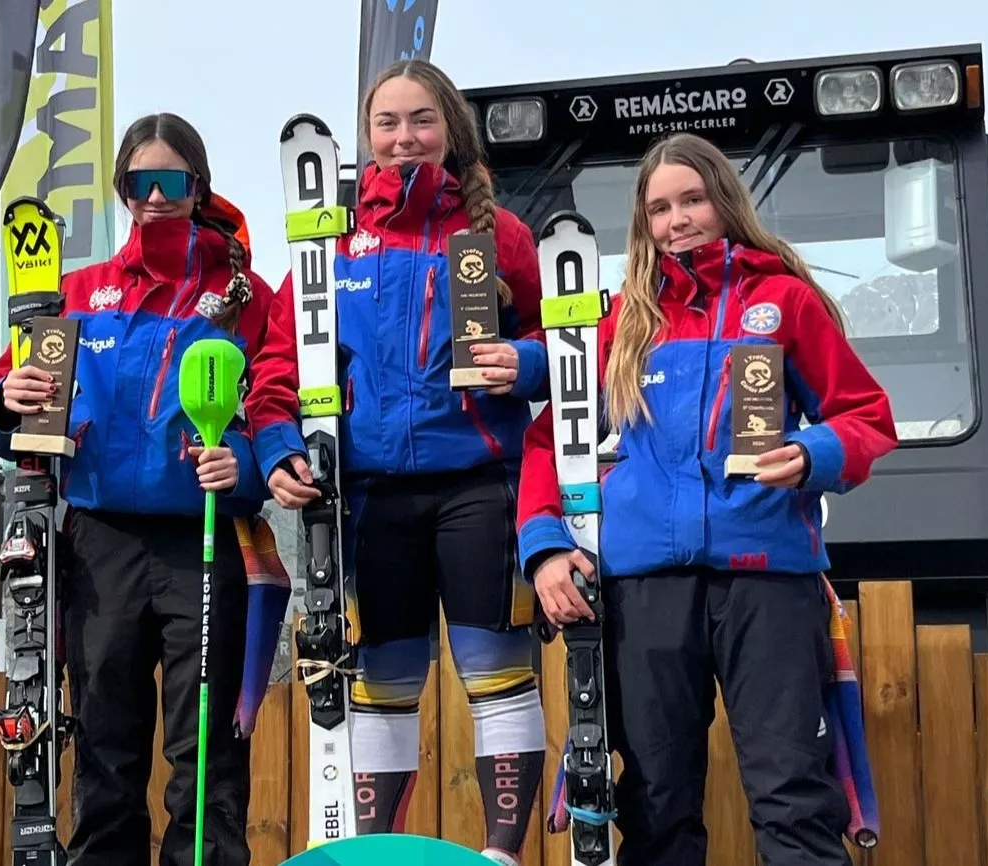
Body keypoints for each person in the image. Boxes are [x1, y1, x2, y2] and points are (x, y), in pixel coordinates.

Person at [516, 132, 898, 866]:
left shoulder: (783, 299)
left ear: (724, 201)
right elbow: (548, 442)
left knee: (792, 796)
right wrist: (545, 549)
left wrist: (813, 453)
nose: (677, 219)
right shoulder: (623, 321)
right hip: (646, 590)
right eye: (659, 208)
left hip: (768, 586)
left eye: (691, 200)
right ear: (644, 223)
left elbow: (867, 418)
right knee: (656, 805)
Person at [0, 112, 304, 866]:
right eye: (139, 183)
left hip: (205, 534)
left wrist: (245, 468)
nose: (155, 197)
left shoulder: (245, 299)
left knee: (207, 744)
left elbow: (276, 403)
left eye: (172, 182)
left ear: (199, 187)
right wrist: (6, 400)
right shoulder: (77, 293)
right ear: (122, 190)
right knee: (105, 741)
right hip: (101, 541)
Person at [262, 59, 551, 865]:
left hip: (478, 485)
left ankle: (500, 855)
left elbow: (570, 357)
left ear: (450, 129)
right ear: (366, 138)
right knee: (383, 684)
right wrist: (281, 450)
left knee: (496, 672)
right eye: (386, 124)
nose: (403, 138)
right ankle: (378, 853)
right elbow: (278, 372)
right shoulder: (329, 243)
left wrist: (523, 366)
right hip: (371, 495)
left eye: (420, 120)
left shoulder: (502, 236)